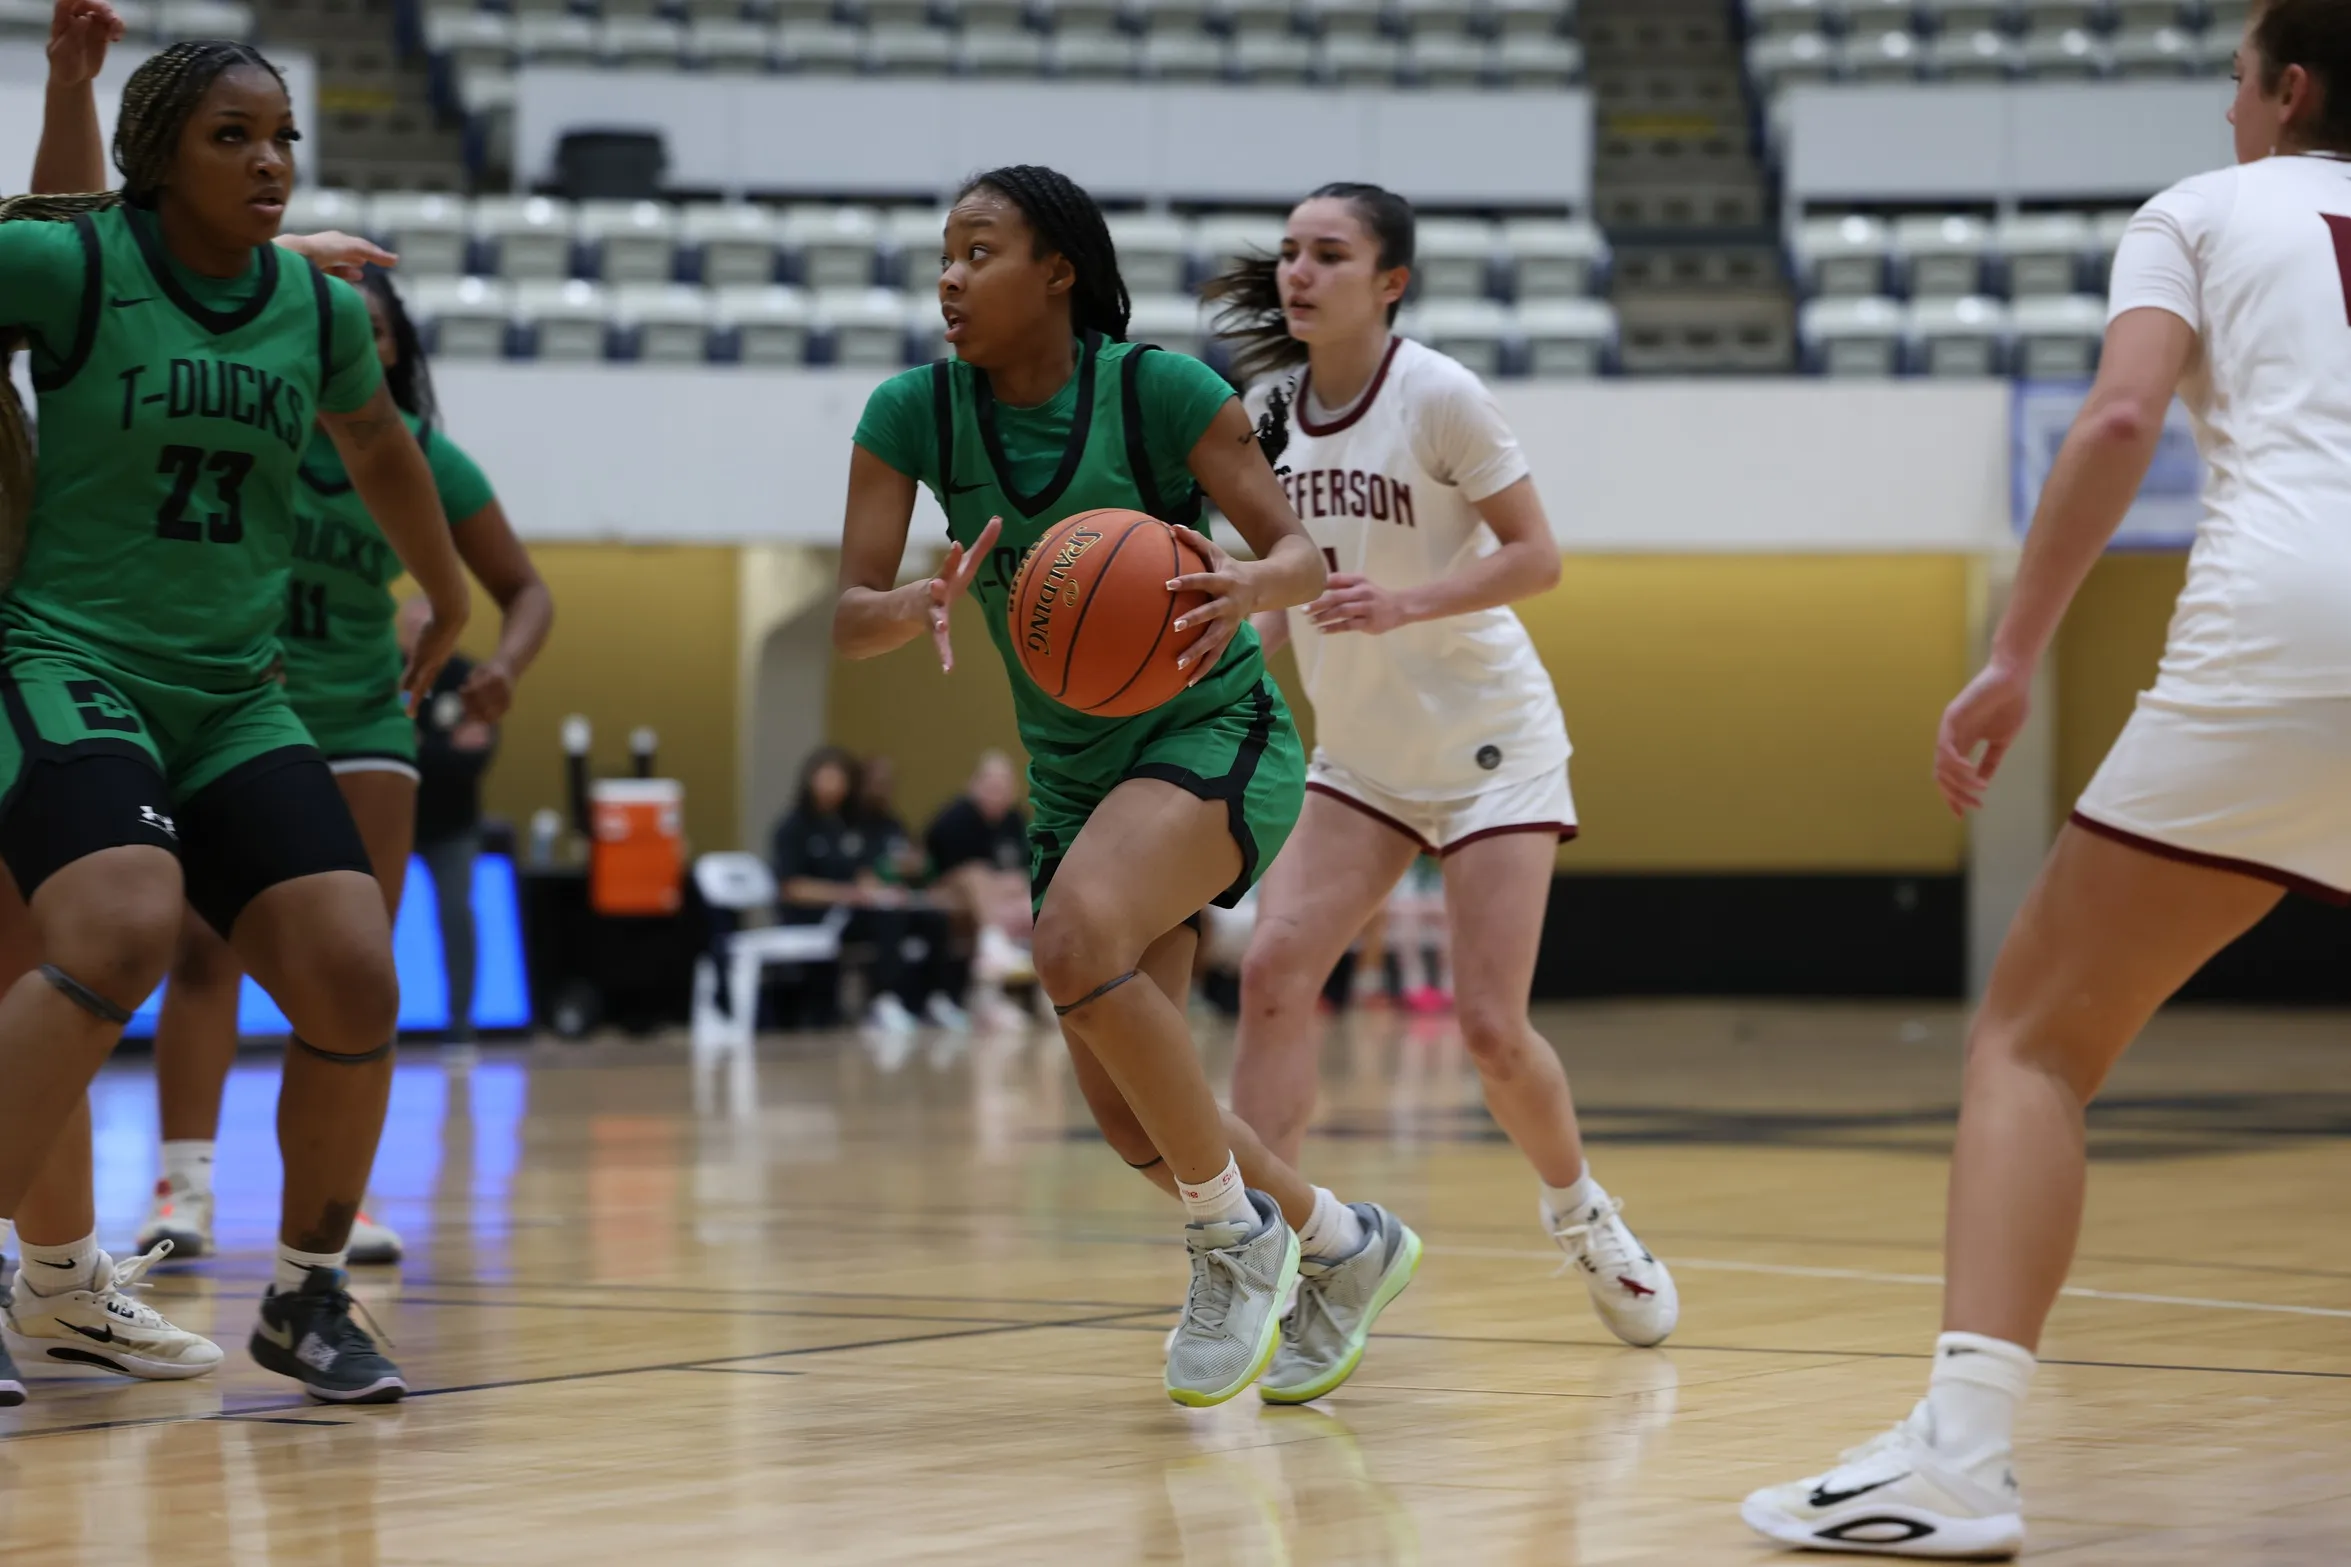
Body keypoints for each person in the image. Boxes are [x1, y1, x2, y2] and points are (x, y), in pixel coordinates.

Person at [1744, 7, 2351, 1556]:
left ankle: (1955, 1452)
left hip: (2287, 633)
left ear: (2285, 88)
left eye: (2232, 77)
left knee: (2029, 1037)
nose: (2224, 106)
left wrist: (2013, 652)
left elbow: (2120, 416)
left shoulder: (2203, 209)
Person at [833, 162, 1417, 1408]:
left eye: (977, 250)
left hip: (1214, 738)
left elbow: (1302, 557)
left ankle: (1230, 1239)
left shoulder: (1156, 391)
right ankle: (1340, 1243)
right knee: (1140, 1120)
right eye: (942, 252)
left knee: (1072, 934)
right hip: (1073, 783)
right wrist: (915, 602)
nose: (948, 275)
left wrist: (1252, 586)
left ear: (1057, 270)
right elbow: (846, 616)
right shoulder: (909, 414)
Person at [0, 39, 474, 1404]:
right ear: (157, 158)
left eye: (282, 140)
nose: (268, 162)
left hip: (232, 695)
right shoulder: (77, 270)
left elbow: (382, 447)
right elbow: (37, 228)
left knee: (354, 971)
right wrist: (59, 104)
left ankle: (306, 1294)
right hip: (63, 656)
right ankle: (45, 1273)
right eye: (232, 136)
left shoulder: (314, 312)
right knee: (121, 926)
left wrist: (442, 596)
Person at [1203, 182, 1678, 1349]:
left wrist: (1404, 600)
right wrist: (1220, 666)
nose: (1297, 275)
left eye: (1328, 255)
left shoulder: (1438, 394)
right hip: (1360, 757)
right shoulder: (1263, 411)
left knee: (1486, 1028)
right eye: (1289, 255)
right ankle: (1267, 1244)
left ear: (1389, 281)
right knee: (1271, 970)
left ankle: (1582, 1213)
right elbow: (1277, 591)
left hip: (1489, 749)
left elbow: (1536, 557)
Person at [135, 261, 552, 1269]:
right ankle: (182, 1186)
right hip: (236, 712)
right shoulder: (249, 421)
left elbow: (523, 587)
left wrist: (499, 666)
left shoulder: (422, 458)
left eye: (369, 331)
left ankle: (337, 1197)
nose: (348, 343)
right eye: (331, 325)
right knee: (199, 949)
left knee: (354, 971)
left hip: (368, 726)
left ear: (393, 353)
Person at [770, 747, 961, 1030]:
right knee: (887, 918)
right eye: (828, 777)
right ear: (810, 779)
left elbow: (860, 874)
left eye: (841, 779)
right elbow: (792, 888)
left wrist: (881, 886)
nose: (835, 786)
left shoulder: (844, 828)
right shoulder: (792, 827)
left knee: (930, 917)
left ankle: (936, 998)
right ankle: (884, 1000)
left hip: (853, 909)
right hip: (817, 916)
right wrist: (846, 893)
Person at [406, 594, 500, 1050]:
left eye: (432, 628)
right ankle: (362, 1027)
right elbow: (386, 745)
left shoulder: (469, 679)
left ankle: (460, 1026)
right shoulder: (386, 677)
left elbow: (475, 759)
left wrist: (421, 745)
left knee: (457, 917)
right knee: (366, 918)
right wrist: (444, 746)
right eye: (415, 628)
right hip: (392, 818)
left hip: (454, 827)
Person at [924, 749, 1040, 1015]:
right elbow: (951, 870)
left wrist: (1010, 883)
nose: (996, 792)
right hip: (949, 893)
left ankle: (1020, 988)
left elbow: (1025, 866)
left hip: (999, 900)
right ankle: (993, 942)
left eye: (1003, 786)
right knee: (975, 876)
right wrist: (999, 882)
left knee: (1032, 889)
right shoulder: (956, 818)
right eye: (990, 784)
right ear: (975, 785)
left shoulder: (1015, 820)